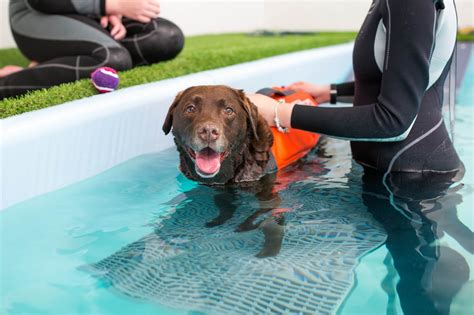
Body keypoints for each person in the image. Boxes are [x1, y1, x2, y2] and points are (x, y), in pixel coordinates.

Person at [248, 0, 463, 175]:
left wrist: (278, 113)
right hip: (397, 173)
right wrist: (328, 92)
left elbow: (394, 122)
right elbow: (397, 83)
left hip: (412, 182)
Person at [0, 0, 184, 100]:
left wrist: (114, 13)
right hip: (37, 15)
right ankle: (7, 83)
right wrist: (112, 4)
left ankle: (54, 64)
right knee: (112, 59)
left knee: (167, 37)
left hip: (88, 12)